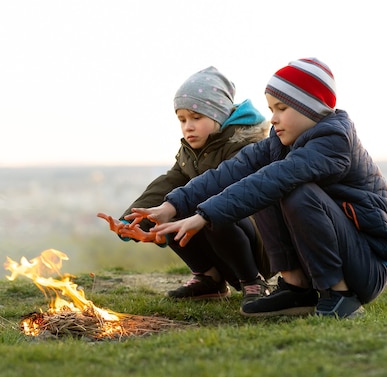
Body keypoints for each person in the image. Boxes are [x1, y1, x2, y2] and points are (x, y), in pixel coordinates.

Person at [132, 58, 387, 319]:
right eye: (271, 109)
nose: (272, 118)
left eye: (281, 109)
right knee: (266, 180)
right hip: (343, 254)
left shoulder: (333, 140)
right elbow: (230, 171)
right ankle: (296, 288)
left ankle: (340, 295)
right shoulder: (280, 143)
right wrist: (172, 206)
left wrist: (203, 216)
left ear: (310, 108)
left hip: (368, 265)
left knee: (290, 189)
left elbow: (271, 180)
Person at [98, 66, 273, 305]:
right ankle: (208, 278)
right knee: (172, 210)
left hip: (259, 240)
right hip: (218, 241)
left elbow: (230, 189)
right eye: (182, 120)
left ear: (219, 115)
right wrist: (134, 219)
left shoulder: (245, 146)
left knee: (216, 210)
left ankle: (253, 281)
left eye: (196, 118)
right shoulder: (190, 152)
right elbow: (166, 185)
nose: (187, 126)